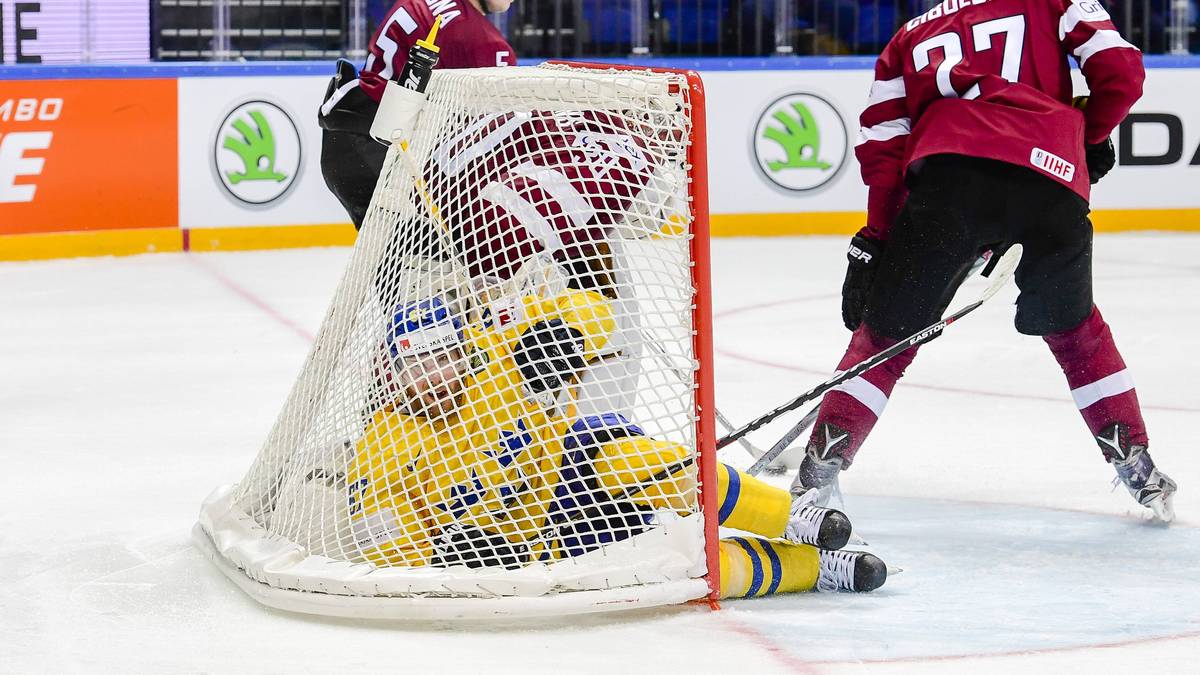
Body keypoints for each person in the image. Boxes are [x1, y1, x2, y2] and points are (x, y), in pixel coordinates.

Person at [791, 0, 1176, 521]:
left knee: (885, 338)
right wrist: (1088, 134)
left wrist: (877, 237)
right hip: (1051, 177)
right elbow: (1121, 71)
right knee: (1077, 330)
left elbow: (883, 145)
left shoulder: (909, 35)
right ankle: (1136, 463)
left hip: (950, 183)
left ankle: (815, 480)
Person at [347, 281, 889, 597]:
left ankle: (788, 516)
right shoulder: (382, 446)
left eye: (444, 358)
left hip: (575, 463)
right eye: (416, 364)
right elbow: (385, 541)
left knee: (627, 453)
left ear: (465, 351)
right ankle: (813, 569)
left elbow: (594, 308)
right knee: (677, 569)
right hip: (544, 545)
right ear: (390, 373)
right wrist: (446, 560)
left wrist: (560, 336)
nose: (434, 376)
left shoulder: (497, 347)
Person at [319, 0, 518, 229]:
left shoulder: (424, 3)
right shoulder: (482, 40)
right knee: (453, 251)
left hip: (349, 137)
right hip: (384, 154)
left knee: (395, 256)